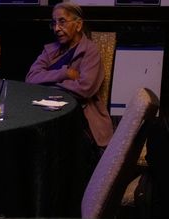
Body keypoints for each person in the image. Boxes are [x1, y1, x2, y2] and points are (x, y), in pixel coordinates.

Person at [25, 1, 113, 148]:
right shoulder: (51, 50)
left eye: (62, 22)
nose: (56, 28)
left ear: (78, 25)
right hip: (47, 110)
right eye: (54, 23)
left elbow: (85, 89)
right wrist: (64, 73)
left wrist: (46, 84)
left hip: (80, 116)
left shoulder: (90, 51)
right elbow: (31, 78)